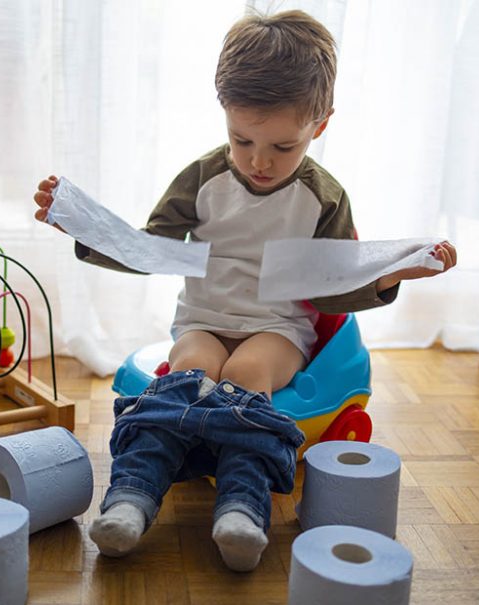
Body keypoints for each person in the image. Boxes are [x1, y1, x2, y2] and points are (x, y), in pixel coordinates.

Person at [33, 10, 457, 571]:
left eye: (283, 146)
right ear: (225, 117)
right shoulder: (202, 179)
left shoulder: (323, 197)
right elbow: (149, 248)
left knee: (244, 376)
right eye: (241, 139)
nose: (259, 160)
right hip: (204, 319)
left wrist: (395, 273)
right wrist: (82, 227)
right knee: (189, 372)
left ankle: (242, 506)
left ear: (319, 125)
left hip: (276, 329)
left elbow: (334, 285)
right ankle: (132, 495)